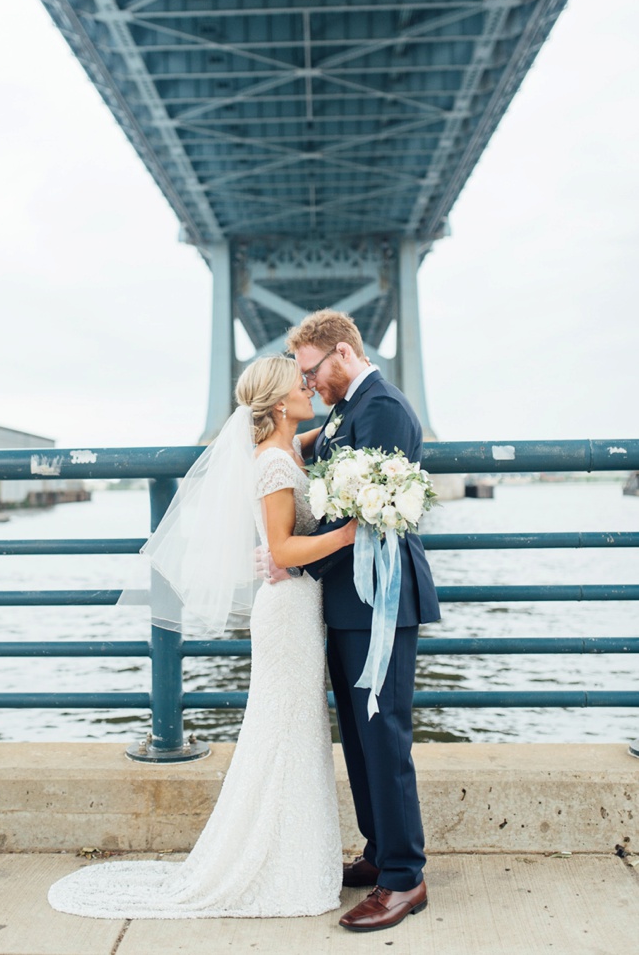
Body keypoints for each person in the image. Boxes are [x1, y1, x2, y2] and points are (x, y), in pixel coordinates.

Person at [49, 356, 357, 919]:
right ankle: (275, 862)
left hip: (299, 607)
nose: (309, 387)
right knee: (284, 731)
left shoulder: (289, 448)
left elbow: (320, 436)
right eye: (300, 384)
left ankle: (293, 853)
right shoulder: (273, 463)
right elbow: (285, 551)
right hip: (288, 610)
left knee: (296, 730)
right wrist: (349, 533)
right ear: (278, 403)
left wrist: (347, 422)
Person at [283, 309, 439, 932]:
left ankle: (405, 878)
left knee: (385, 736)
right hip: (351, 601)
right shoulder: (347, 409)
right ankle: (380, 852)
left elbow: (363, 513)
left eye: (312, 371)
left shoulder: (384, 409)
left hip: (382, 599)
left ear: (343, 353)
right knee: (358, 733)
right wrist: (269, 433)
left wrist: (293, 557)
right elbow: (315, 453)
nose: (308, 384)